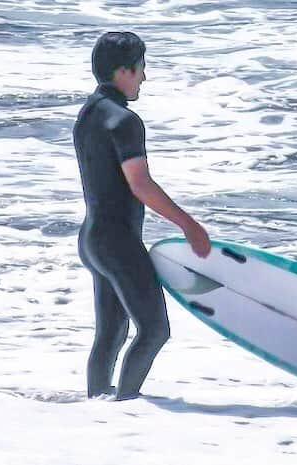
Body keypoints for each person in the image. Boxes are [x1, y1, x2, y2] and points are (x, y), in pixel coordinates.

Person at [73, 31, 211, 401]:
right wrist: (189, 225)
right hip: (117, 241)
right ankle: (127, 411)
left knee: (111, 333)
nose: (144, 78)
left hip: (92, 239)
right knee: (153, 331)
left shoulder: (89, 113)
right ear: (123, 72)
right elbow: (141, 184)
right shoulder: (124, 120)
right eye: (141, 69)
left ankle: (98, 407)